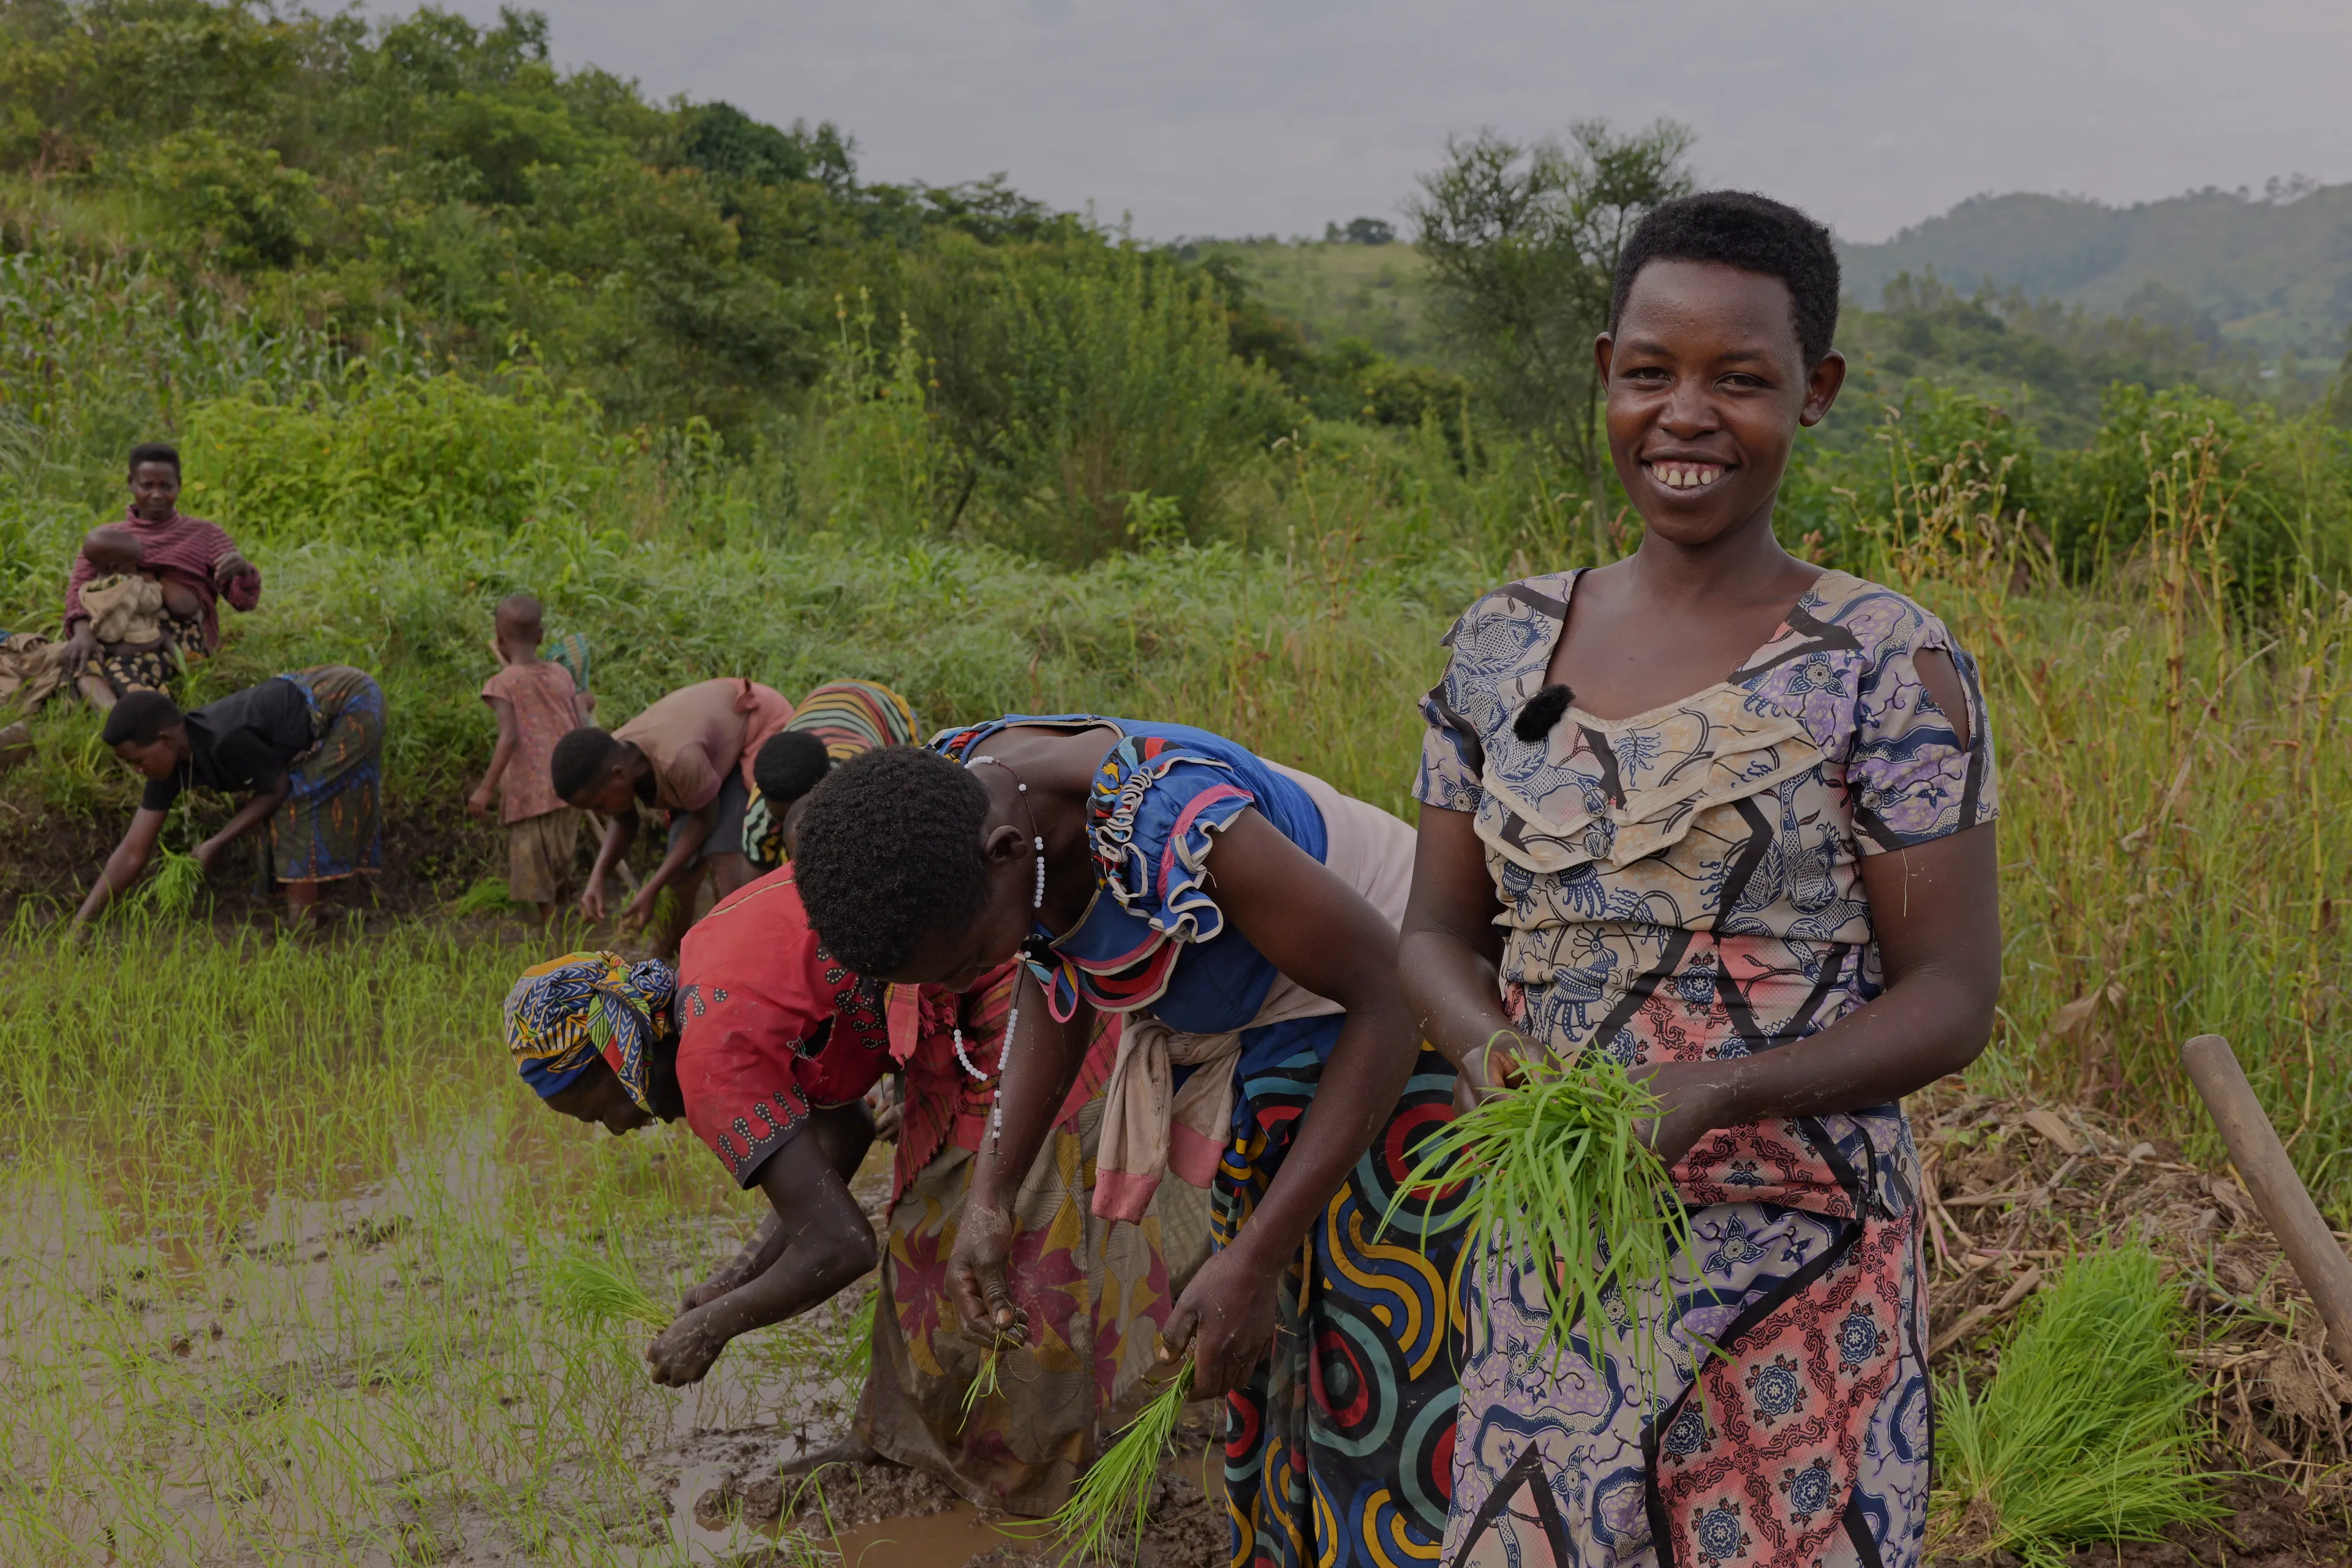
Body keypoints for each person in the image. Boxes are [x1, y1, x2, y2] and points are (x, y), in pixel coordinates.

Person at [1401, 192, 2001, 1568]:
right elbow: (1435, 931)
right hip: (1559, 1251)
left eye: (1739, 379)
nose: (1685, 415)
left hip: (1797, 1264)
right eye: (1649, 373)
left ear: (1815, 392)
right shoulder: (1500, 646)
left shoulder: (1883, 661)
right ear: (1603, 374)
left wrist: (1720, 1091)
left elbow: (1952, 997)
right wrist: (1494, 1052)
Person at [791, 723, 1468, 1567]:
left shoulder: (1176, 825)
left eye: (967, 961)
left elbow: (1390, 999)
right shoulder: (969, 805)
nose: (967, 985)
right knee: (1262, 1349)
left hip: (1400, 1028)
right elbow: (1053, 966)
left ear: (1006, 853)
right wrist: (991, 1196)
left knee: (1379, 1353)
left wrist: (1253, 1259)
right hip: (1276, 1039)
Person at [505, 857, 1175, 1515]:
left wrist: (714, 1326)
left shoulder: (710, 1059)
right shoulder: (700, 963)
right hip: (970, 992)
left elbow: (841, 1245)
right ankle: (898, 1442)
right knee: (924, 1234)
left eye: (597, 1112)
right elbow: (843, 1134)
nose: (618, 1129)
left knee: (1008, 1246)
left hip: (1014, 1005)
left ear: (615, 1060)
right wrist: (736, 1276)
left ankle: (1035, 1480)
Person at [77, 666, 387, 931]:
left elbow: (276, 789)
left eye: (138, 760)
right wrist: (80, 926)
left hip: (350, 699)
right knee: (287, 800)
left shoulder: (225, 741)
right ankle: (316, 909)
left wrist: (217, 842)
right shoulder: (168, 768)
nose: (137, 770)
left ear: (166, 741)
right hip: (303, 704)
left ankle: (303, 925)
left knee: (295, 803)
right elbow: (132, 851)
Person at [549, 677, 794, 957]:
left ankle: (742, 956)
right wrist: (598, 876)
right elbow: (625, 820)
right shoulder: (612, 759)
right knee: (679, 877)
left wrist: (651, 889)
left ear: (619, 776)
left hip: (754, 728)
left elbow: (705, 818)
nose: (601, 814)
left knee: (727, 874)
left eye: (600, 805)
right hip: (705, 752)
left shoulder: (677, 759)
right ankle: (668, 958)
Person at [61, 442, 259, 688]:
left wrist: (244, 570)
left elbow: (244, 602)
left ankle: (132, 699)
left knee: (120, 669)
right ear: (131, 483)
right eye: (147, 486)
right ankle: (116, 700)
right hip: (117, 629)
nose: (157, 495)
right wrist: (83, 633)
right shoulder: (106, 540)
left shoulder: (206, 535)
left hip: (181, 641)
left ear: (179, 485)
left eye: (166, 486)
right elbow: (79, 591)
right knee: (81, 663)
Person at [467, 594, 593, 925]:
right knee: (559, 867)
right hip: (569, 788)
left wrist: (485, 788)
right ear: (540, 637)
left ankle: (551, 942)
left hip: (530, 795)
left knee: (536, 880)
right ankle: (564, 930)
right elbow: (581, 723)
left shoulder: (503, 683)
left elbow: (509, 737)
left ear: (499, 638)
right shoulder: (561, 674)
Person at [741, 677, 921, 872]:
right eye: (781, 820)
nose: (788, 825)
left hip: (880, 705)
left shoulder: (867, 785)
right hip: (821, 701)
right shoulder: (761, 813)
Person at [65, 525, 183, 709]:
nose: (136, 568)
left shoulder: (87, 590)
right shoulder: (133, 585)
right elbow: (153, 602)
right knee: (165, 635)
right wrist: (152, 583)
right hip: (136, 640)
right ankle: (184, 667)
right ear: (116, 567)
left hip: (104, 641)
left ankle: (102, 700)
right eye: (134, 564)